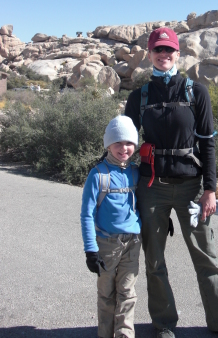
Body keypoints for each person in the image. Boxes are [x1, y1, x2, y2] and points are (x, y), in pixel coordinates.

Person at [125, 27, 218, 338]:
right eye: (158, 50)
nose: (163, 55)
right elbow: (125, 145)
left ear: (178, 54)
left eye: (169, 50)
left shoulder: (197, 91)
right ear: (149, 54)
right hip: (151, 187)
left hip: (191, 187)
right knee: (154, 259)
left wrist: (210, 190)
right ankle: (164, 324)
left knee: (205, 256)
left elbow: (207, 143)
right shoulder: (138, 97)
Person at [80, 115, 142, 338]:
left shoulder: (136, 172)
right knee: (107, 295)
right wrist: (90, 250)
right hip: (106, 245)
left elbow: (143, 203)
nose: (123, 148)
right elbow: (87, 214)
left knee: (127, 293)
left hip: (132, 243)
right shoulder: (98, 175)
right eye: (117, 143)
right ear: (108, 144)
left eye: (128, 143)